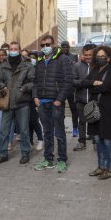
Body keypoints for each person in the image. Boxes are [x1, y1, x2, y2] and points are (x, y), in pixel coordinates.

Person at [33, 35, 73, 173]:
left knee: (60, 133)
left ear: (53, 44)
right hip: (42, 102)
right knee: (47, 132)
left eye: (47, 44)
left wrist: (59, 100)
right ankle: (48, 159)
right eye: (42, 45)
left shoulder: (63, 59)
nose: (45, 48)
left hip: (56, 102)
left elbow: (68, 82)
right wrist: (35, 97)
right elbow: (35, 81)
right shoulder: (39, 60)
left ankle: (62, 160)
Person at [0, 41, 35, 164]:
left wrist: (24, 88)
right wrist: (2, 87)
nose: (13, 50)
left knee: (24, 130)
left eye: (15, 48)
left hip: (22, 102)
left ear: (20, 50)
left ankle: (25, 153)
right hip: (7, 102)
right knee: (4, 130)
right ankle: (3, 154)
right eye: (11, 49)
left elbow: (33, 82)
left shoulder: (27, 65)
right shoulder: (3, 65)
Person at [81, 46, 111, 180]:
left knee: (106, 138)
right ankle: (100, 166)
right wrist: (94, 83)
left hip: (106, 107)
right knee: (96, 138)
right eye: (99, 56)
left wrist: (93, 88)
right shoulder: (95, 69)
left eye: (103, 56)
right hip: (94, 108)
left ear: (108, 58)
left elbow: (107, 87)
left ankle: (108, 168)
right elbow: (84, 83)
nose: (100, 58)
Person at [73, 43, 97, 151]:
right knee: (81, 121)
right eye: (86, 54)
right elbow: (73, 81)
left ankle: (96, 141)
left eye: (90, 55)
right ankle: (81, 142)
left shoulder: (97, 66)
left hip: (93, 98)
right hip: (80, 98)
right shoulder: (77, 66)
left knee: (94, 120)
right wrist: (84, 83)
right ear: (83, 54)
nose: (88, 57)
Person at [60, 41, 79, 137]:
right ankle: (60, 128)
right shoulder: (58, 57)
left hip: (71, 87)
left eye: (66, 46)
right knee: (60, 109)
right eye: (63, 46)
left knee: (74, 109)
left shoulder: (74, 56)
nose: (64, 48)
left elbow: (76, 69)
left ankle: (75, 128)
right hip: (62, 87)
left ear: (69, 47)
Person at [27, 50, 44, 151]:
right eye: (30, 58)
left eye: (34, 57)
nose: (32, 60)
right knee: (28, 121)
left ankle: (40, 139)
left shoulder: (39, 69)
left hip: (36, 98)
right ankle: (29, 141)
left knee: (34, 120)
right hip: (26, 97)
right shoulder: (26, 68)